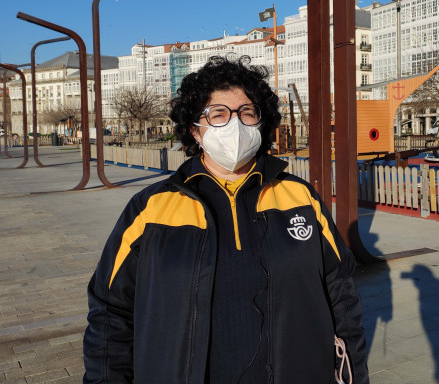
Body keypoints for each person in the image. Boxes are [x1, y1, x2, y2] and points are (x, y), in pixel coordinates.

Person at [83, 56, 368, 383]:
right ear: (195, 130)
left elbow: (342, 297)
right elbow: (110, 312)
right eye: (218, 114)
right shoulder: (150, 208)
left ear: (261, 123)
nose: (235, 124)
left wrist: (354, 374)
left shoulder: (299, 197)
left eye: (247, 112)